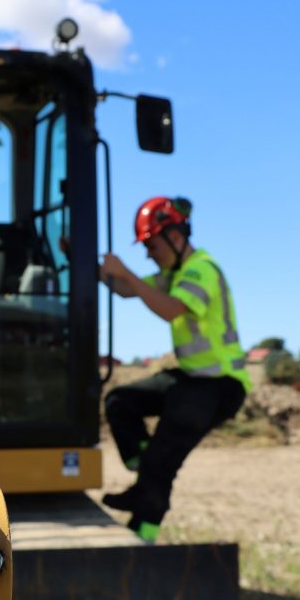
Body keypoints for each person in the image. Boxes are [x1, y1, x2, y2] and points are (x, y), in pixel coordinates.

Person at [99, 195, 250, 541]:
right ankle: (144, 475)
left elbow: (169, 309)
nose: (148, 254)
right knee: (120, 401)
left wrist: (126, 272)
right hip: (191, 380)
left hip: (219, 385)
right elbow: (125, 289)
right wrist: (89, 265)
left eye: (151, 245)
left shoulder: (201, 270)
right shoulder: (175, 273)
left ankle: (144, 535)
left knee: (161, 465)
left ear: (176, 238)